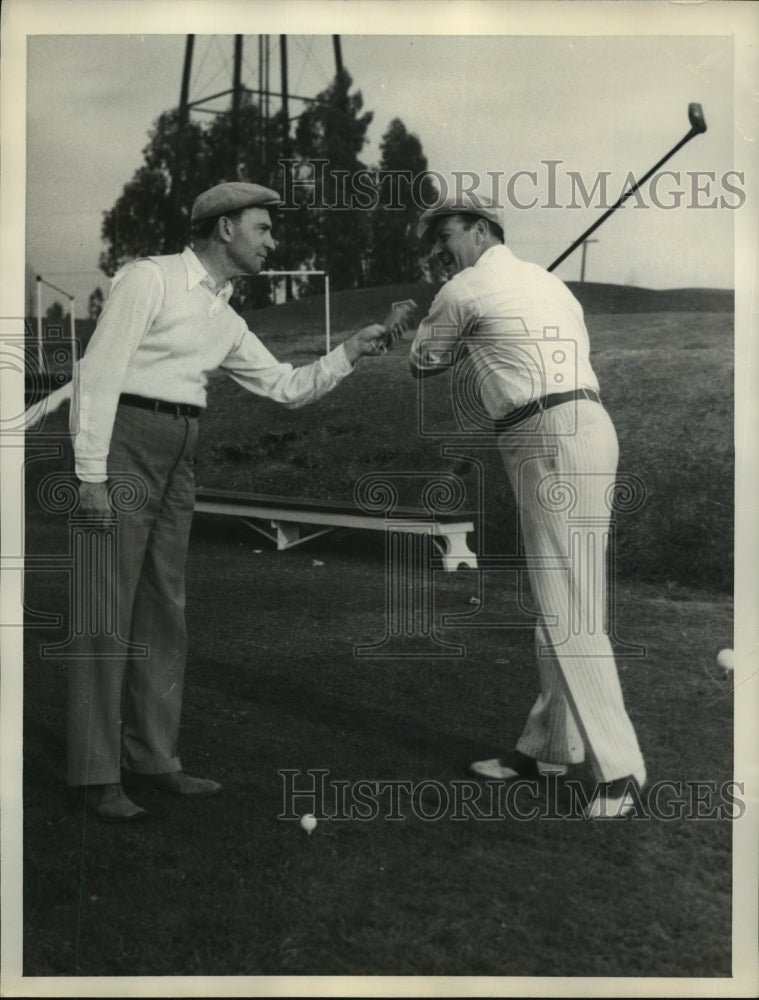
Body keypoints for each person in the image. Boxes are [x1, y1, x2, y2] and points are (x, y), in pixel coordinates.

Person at [69, 181, 396, 822]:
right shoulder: (150, 278)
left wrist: (349, 352)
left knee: (166, 608)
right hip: (126, 442)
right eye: (264, 228)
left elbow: (285, 386)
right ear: (225, 229)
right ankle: (94, 773)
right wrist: (89, 475)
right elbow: (99, 371)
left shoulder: (227, 317)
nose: (273, 240)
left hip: (182, 450)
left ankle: (153, 760)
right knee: (105, 607)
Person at [408, 194, 646, 819]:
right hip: (586, 426)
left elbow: (421, 361)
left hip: (545, 434)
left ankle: (619, 773)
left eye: (448, 235)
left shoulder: (463, 291)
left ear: (482, 230)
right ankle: (548, 747)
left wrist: (452, 335)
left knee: (568, 604)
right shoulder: (551, 286)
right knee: (564, 596)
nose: (440, 250)